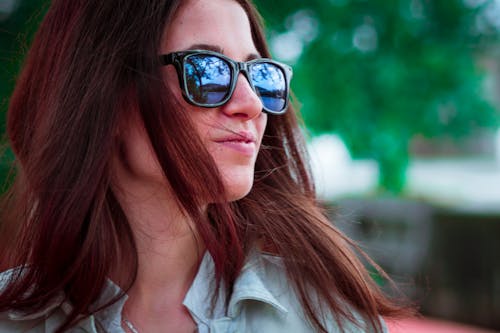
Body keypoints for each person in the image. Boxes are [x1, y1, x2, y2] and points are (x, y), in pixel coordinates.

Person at [0, 0, 411, 332]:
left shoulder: (326, 316)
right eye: (208, 71)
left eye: (261, 75)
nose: (250, 103)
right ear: (106, 95)